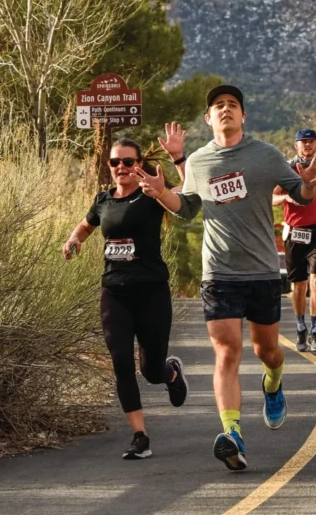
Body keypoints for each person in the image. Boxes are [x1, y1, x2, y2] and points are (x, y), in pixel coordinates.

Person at [136, 85, 316, 472]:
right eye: (218, 106)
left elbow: (301, 196)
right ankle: (232, 434)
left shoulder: (266, 155)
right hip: (219, 273)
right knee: (226, 352)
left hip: (262, 272)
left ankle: (273, 383)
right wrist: (160, 193)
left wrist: (308, 183)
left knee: (266, 351)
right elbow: (186, 207)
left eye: (232, 105)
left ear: (243, 116)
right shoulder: (200, 162)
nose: (225, 110)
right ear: (208, 118)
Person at [62, 131, 189, 460]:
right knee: (121, 363)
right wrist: (74, 240)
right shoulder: (103, 200)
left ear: (139, 165)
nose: (121, 167)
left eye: (128, 161)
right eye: (115, 162)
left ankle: (171, 373)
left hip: (151, 293)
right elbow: (87, 225)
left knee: (150, 369)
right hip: (114, 292)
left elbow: (190, 196)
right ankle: (140, 436)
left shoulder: (152, 196)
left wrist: (177, 159)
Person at [276, 129, 316, 353]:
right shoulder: (287, 169)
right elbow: (272, 197)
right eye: (303, 142)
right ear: (296, 146)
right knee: (299, 285)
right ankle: (301, 327)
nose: (307, 146)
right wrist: (286, 197)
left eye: (311, 142)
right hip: (295, 232)